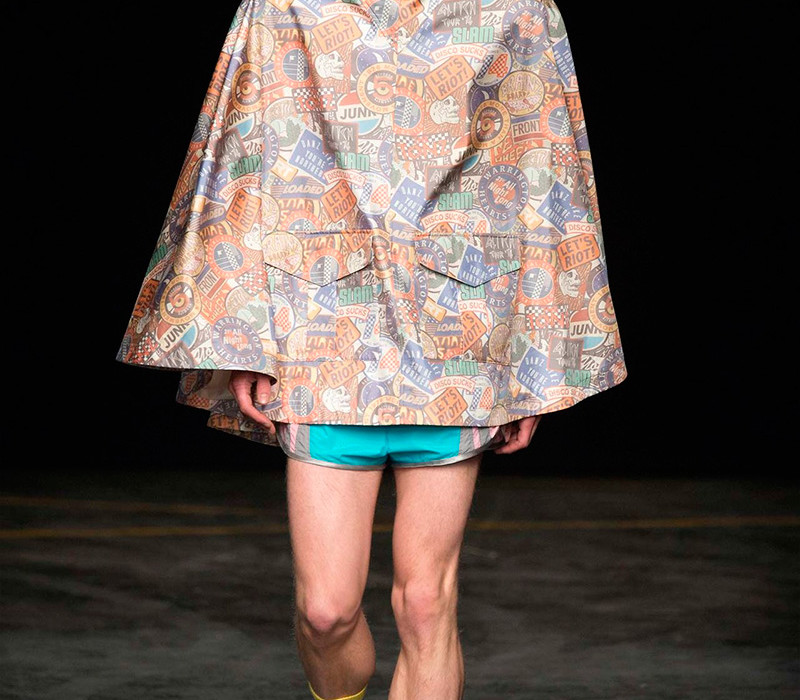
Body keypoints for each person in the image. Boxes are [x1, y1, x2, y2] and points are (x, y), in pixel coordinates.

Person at [116, 0, 627, 697]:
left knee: (426, 602)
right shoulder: (284, 9)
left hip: (457, 331)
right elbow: (243, 152)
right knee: (325, 612)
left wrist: (531, 362)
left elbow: (542, 171)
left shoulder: (515, 11)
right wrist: (247, 337)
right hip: (326, 326)